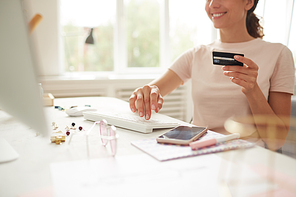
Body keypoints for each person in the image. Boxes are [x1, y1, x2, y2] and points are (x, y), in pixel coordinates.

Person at [129, 0, 295, 151]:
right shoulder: (196, 54)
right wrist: (146, 93)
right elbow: (155, 88)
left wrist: (253, 90)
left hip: (245, 159)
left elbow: (277, 141)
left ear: (248, 2)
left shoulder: (279, 54)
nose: (213, 4)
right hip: (196, 151)